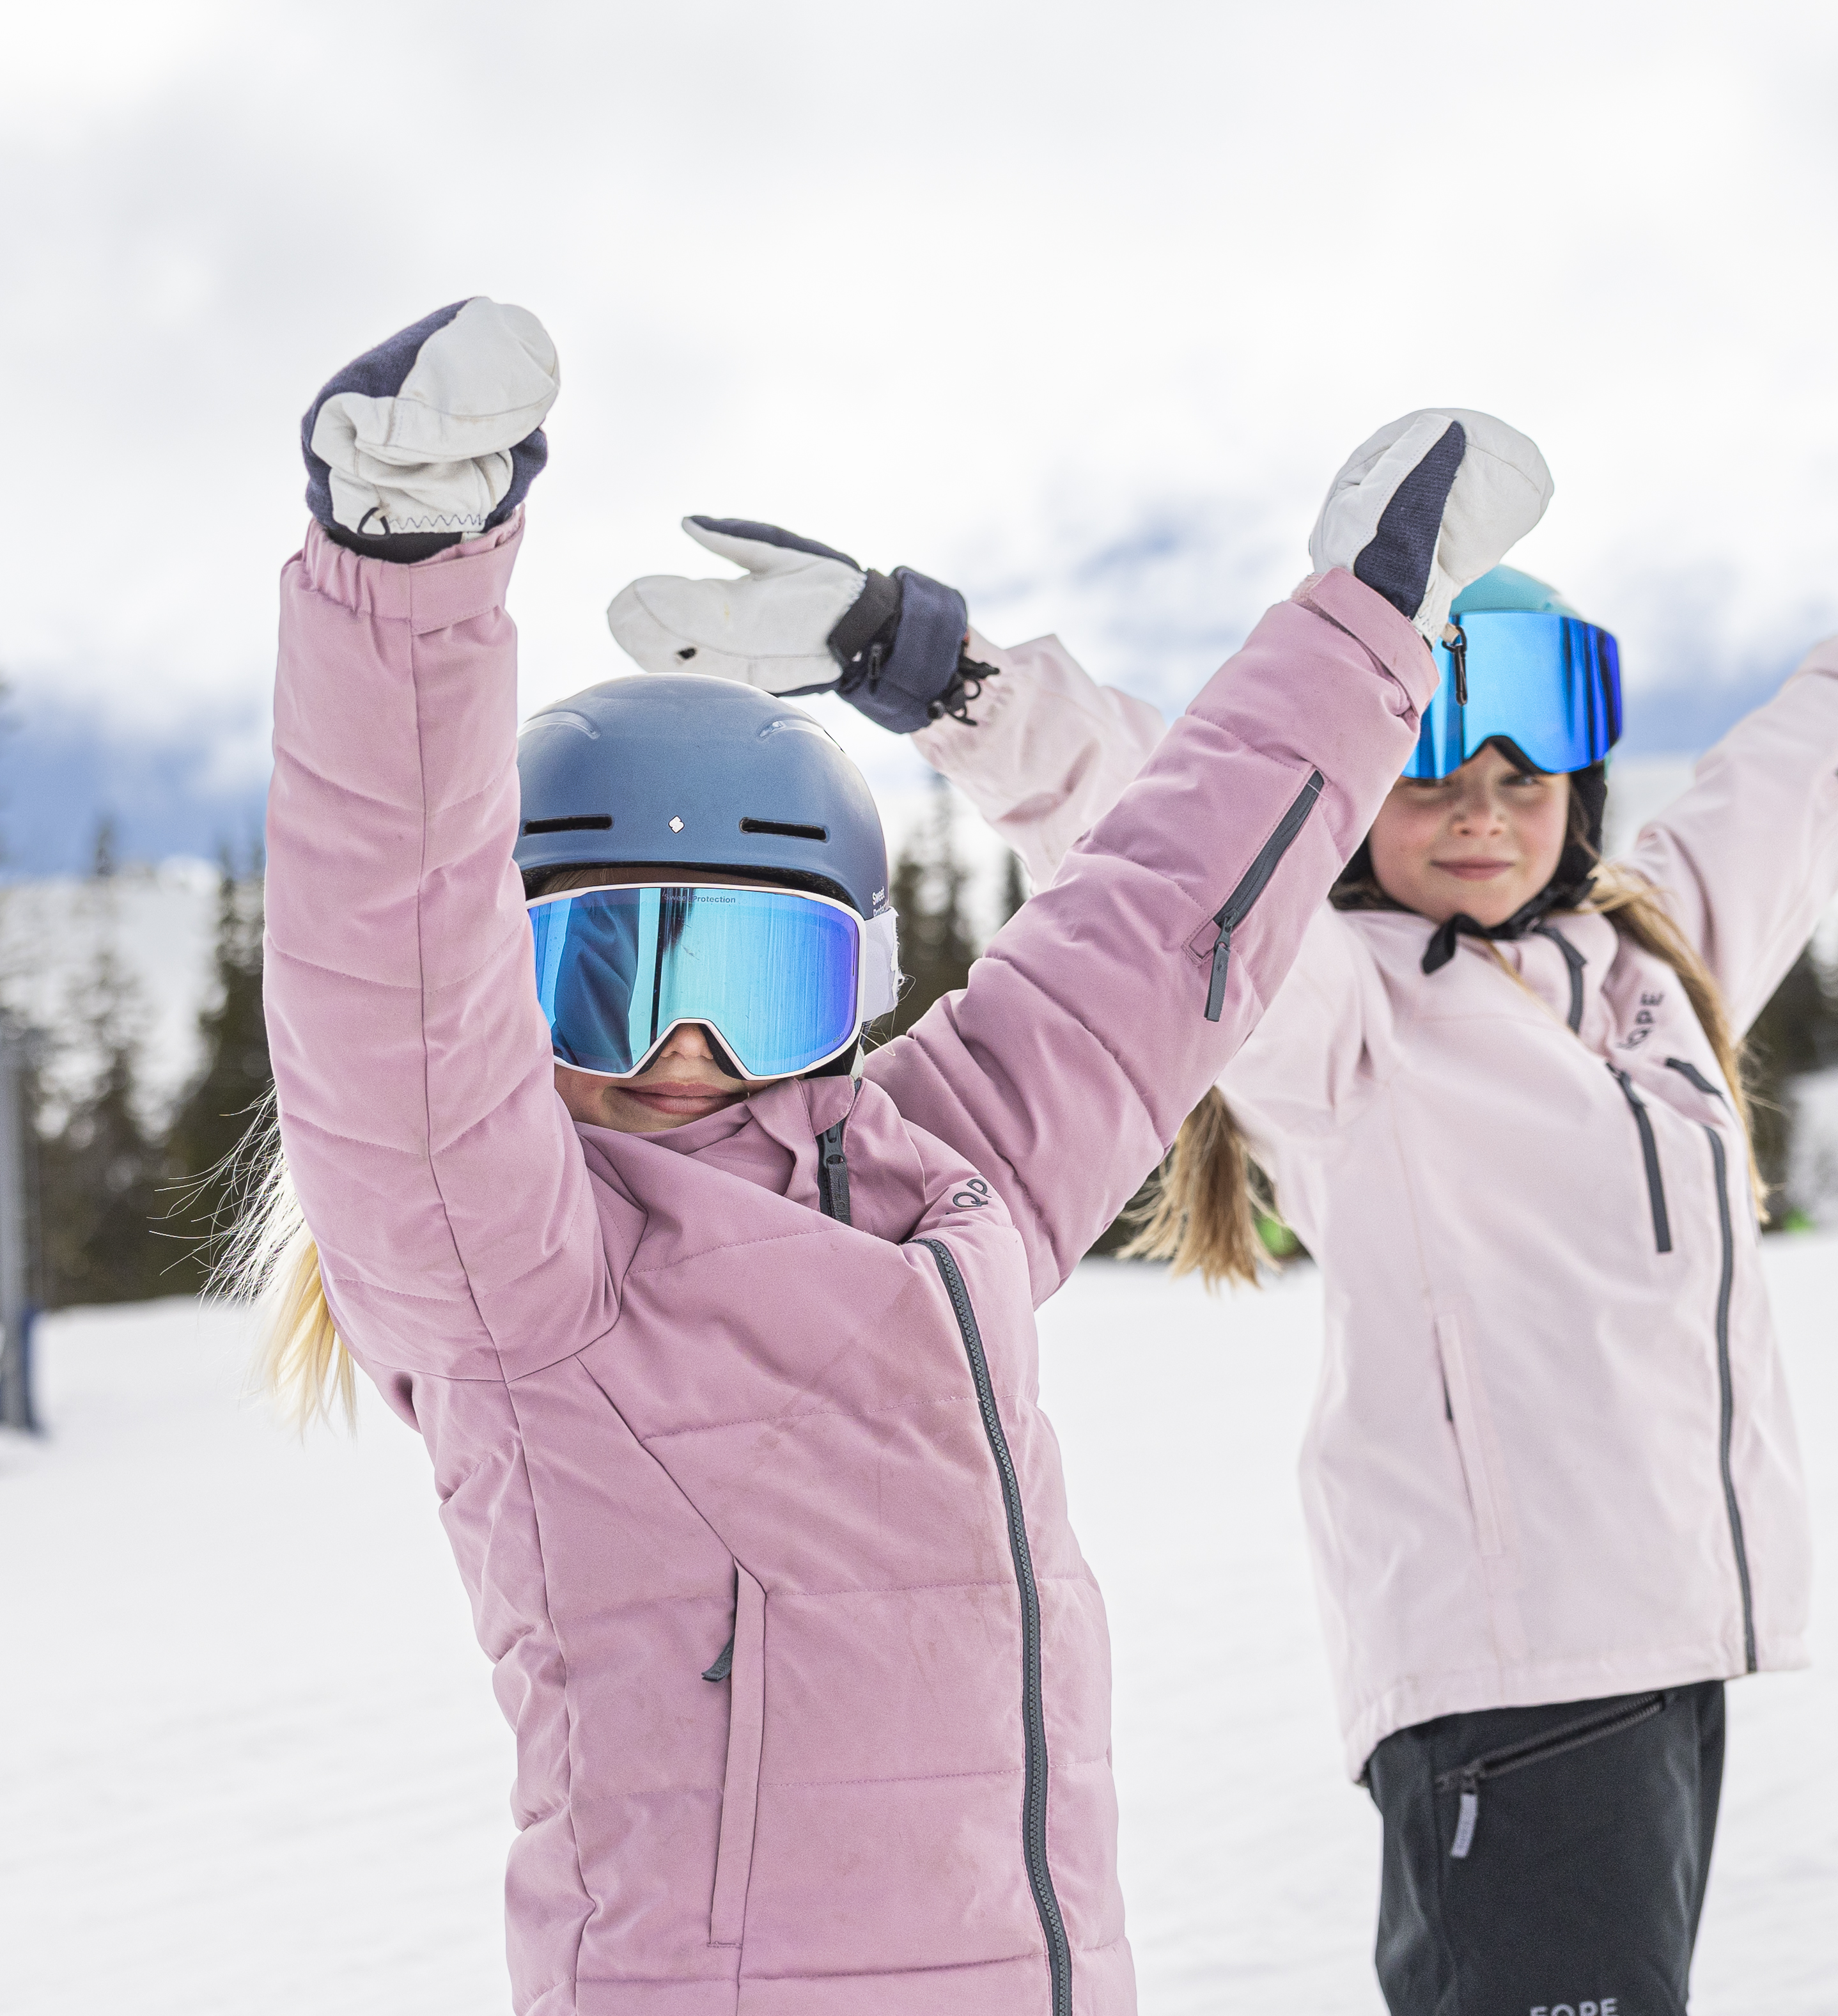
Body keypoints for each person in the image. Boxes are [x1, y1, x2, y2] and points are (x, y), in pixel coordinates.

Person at [238, 295, 1553, 2013]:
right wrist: (405, 576)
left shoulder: (950, 1167)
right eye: (607, 973)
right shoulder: (514, 1263)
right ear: (509, 989)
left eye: (756, 978)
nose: (685, 1047)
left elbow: (1167, 910)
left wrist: (1368, 625)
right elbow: (386, 968)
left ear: (855, 985)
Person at [630, 522, 1838, 2013]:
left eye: (1522, 780)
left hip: (1666, 1655)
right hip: (1509, 1678)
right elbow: (1163, 823)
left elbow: (1792, 791)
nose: (1481, 811)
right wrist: (946, 671)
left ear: (1578, 796)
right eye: (1428, 776)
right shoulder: (1341, 1007)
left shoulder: (1657, 954)